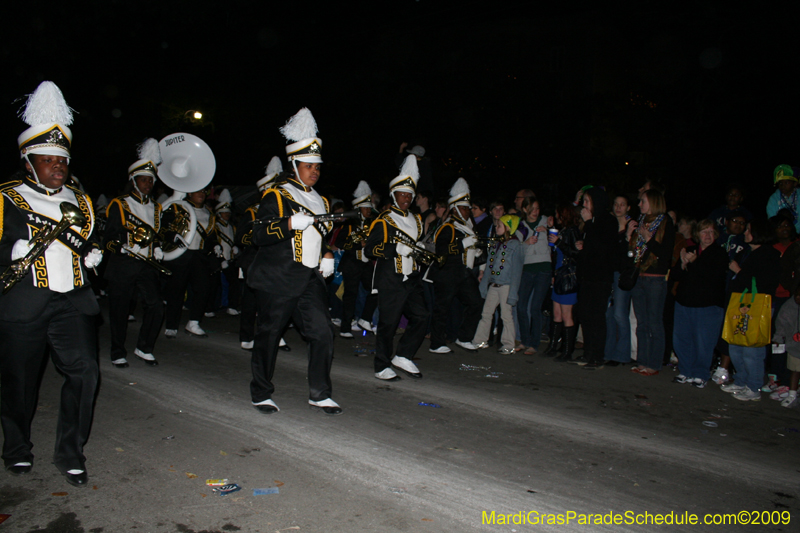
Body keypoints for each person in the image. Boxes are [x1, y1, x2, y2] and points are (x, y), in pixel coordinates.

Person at [0, 81, 102, 486]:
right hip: (23, 303)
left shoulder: (81, 199)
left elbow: (87, 239)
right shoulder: (6, 198)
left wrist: (93, 255)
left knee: (86, 372)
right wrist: (11, 249)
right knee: (19, 384)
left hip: (72, 302)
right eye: (48, 160)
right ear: (29, 161)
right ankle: (17, 448)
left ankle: (70, 451)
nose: (58, 167)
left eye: (62, 161)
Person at [248, 108, 340, 415]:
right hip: (278, 277)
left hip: (309, 278)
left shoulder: (321, 200)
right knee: (269, 335)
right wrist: (288, 224)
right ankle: (261, 391)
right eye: (309, 165)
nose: (315, 170)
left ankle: (319, 392)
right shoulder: (276, 195)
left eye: (318, 166)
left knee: (323, 332)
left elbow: (321, 235)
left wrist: (327, 253)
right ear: (295, 164)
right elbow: (257, 234)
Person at [365, 155, 429, 381]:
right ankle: (381, 365)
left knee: (422, 316)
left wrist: (420, 248)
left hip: (411, 277)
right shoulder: (384, 220)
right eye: (402, 194)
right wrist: (394, 250)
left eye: (410, 194)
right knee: (388, 324)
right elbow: (370, 250)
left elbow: (416, 244)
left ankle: (403, 355)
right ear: (394, 195)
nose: (407, 198)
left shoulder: (417, 219)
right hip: (391, 278)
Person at [103, 138, 166, 368]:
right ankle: (117, 351)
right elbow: (107, 239)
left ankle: (144, 347)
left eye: (150, 179)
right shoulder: (119, 204)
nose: (147, 183)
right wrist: (122, 245)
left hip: (147, 265)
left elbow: (157, 233)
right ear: (134, 180)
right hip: (123, 263)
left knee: (156, 305)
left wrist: (157, 247)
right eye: (143, 179)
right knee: (120, 310)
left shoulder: (157, 207)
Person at [721, 219, 780, 400]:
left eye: (748, 230)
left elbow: (763, 284)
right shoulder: (747, 252)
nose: (745, 233)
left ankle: (753, 387)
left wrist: (739, 271)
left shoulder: (769, 254)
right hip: (741, 305)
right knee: (736, 346)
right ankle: (741, 381)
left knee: (752, 350)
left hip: (757, 307)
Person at [236, 157, 291, 352]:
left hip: (275, 261)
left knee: (277, 301)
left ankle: (277, 335)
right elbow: (240, 237)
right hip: (254, 260)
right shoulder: (252, 213)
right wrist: (258, 235)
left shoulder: (284, 211)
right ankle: (246, 336)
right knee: (251, 302)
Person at [670, 220, 728, 387]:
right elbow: (675, 275)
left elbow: (711, 278)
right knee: (682, 339)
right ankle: (685, 371)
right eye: (704, 231)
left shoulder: (719, 253)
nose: (707, 235)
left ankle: (701, 374)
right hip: (684, 303)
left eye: (711, 232)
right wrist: (683, 263)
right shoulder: (689, 250)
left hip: (707, 306)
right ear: (697, 234)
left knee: (703, 343)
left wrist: (695, 263)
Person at [428, 178, 482, 354]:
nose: (468, 211)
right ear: (456, 209)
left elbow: (469, 253)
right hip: (447, 273)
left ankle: (464, 337)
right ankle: (436, 343)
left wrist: (478, 253)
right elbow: (442, 251)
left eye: (468, 208)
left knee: (475, 303)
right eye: (464, 208)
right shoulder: (448, 228)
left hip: (463, 273)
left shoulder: (468, 227)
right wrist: (463, 245)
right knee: (441, 309)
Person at [161, 187, 221, 338]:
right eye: (198, 191)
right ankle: (171, 325)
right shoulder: (178, 207)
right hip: (180, 255)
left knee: (204, 288)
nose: (201, 194)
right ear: (189, 192)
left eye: (204, 192)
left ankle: (193, 322)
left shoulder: (209, 212)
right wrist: (172, 236)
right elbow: (162, 228)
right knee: (177, 290)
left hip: (199, 256)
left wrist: (215, 244)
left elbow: (211, 235)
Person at [628, 189, 675, 376]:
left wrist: (648, 239)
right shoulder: (641, 222)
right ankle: (642, 361)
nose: (639, 204)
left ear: (653, 202)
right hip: (639, 276)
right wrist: (628, 237)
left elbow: (665, 255)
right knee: (642, 322)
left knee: (654, 322)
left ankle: (654, 364)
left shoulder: (665, 223)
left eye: (643, 201)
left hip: (655, 278)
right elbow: (633, 252)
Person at [573, 187, 618, 368]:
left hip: (600, 277)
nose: (584, 205)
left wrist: (590, 224)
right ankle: (588, 352)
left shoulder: (608, 221)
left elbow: (603, 247)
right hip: (587, 276)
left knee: (596, 316)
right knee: (584, 314)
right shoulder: (590, 222)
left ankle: (597, 355)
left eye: (587, 201)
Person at [472, 215, 525, 354]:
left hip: (506, 286)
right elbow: (490, 267)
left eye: (499, 226)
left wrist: (513, 293)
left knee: (506, 316)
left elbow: (517, 271)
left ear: (508, 228)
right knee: (486, 313)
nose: (496, 228)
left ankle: (508, 344)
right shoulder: (496, 244)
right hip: (494, 286)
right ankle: (479, 340)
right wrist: (484, 286)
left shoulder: (516, 245)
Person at [335, 180, 378, 338]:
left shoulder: (372, 223)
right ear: (359, 207)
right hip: (352, 264)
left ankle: (365, 319)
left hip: (366, 264)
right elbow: (339, 242)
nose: (369, 210)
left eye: (369, 207)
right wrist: (356, 243)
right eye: (366, 207)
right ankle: (345, 327)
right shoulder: (350, 224)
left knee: (376, 288)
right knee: (350, 296)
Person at [545, 204, 581, 361]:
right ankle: (553, 346)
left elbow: (576, 254)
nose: (556, 216)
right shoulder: (564, 231)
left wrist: (559, 242)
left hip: (568, 278)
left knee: (567, 315)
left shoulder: (572, 231)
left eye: (558, 213)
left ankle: (567, 351)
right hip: (559, 276)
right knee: (557, 314)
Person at [605, 194, 636, 365]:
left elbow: (630, 255)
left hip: (622, 274)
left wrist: (627, 237)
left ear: (628, 207)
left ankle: (622, 355)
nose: (618, 207)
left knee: (620, 314)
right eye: (616, 204)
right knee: (609, 314)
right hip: (609, 274)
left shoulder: (633, 226)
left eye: (622, 204)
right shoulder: (610, 225)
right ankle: (608, 352)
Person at [517, 197, 550, 355]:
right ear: (525, 210)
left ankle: (534, 344)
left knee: (535, 307)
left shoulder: (546, 221)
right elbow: (515, 250)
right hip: (527, 268)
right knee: (522, 306)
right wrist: (525, 243)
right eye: (532, 209)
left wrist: (549, 230)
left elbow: (557, 240)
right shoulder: (520, 227)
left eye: (537, 208)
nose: (535, 212)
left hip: (543, 268)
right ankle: (525, 340)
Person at [213, 189, 241, 315]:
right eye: (224, 212)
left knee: (232, 284)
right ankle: (215, 306)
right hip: (218, 260)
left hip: (230, 260)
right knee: (217, 285)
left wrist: (236, 247)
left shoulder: (232, 227)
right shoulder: (215, 226)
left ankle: (230, 305)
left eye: (228, 212)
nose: (227, 215)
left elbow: (235, 240)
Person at [772, 285, 800, 408]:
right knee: (795, 369)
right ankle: (792, 394)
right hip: (794, 344)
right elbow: (781, 324)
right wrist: (778, 339)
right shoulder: (789, 307)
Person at [767, 165, 800, 233]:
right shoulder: (774, 198)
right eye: (780, 183)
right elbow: (772, 220)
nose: (783, 185)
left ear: (795, 183)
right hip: (781, 233)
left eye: (786, 182)